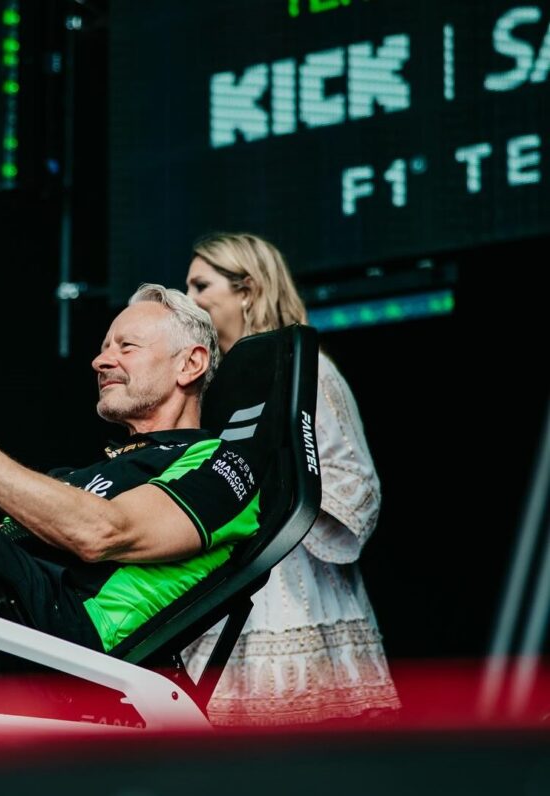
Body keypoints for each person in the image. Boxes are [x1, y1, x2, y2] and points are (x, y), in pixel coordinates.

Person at [0, 283, 262, 654]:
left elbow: (103, 532)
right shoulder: (84, 472)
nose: (100, 361)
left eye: (126, 346)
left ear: (189, 364)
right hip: (2, 596)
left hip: (70, 627)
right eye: (105, 347)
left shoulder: (221, 462)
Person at [183, 232, 400, 725]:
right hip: (221, 583)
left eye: (201, 285)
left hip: (295, 586)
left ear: (248, 289)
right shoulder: (207, 385)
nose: (189, 299)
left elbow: (357, 484)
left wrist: (274, 486)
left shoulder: (309, 372)